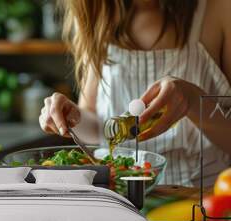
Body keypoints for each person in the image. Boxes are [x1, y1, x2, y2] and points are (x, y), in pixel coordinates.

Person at [39, 0, 231, 186]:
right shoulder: (100, 11)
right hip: (117, 195)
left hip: (199, 198)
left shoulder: (218, 9)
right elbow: (97, 127)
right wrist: (72, 117)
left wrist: (192, 101)